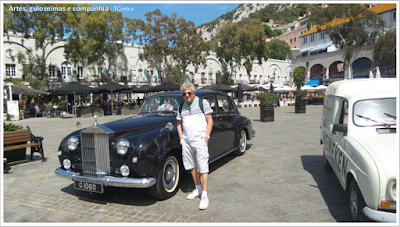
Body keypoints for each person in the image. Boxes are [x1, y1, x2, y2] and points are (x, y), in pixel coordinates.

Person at [177, 81, 213, 210]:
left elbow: (210, 121)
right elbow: (179, 123)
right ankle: (197, 189)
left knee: (203, 167)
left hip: (200, 140)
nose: (187, 96)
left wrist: (206, 137)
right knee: (192, 166)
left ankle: (204, 195)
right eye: (184, 94)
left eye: (189, 93)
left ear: (194, 93)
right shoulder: (181, 106)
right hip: (187, 141)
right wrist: (182, 139)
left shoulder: (202, 103)